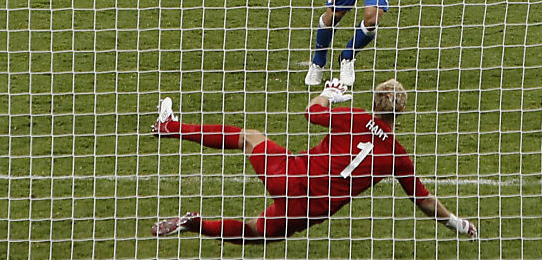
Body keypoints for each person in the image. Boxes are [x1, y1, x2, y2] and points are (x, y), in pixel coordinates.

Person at [150, 79, 477, 243]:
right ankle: (195, 225)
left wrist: (329, 92)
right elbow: (424, 201)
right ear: (401, 112)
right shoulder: (397, 156)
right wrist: (458, 223)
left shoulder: (356, 117)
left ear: (375, 102)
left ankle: (170, 127)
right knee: (255, 232)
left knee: (248, 137)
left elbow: (312, 113)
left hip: (293, 176)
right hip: (312, 208)